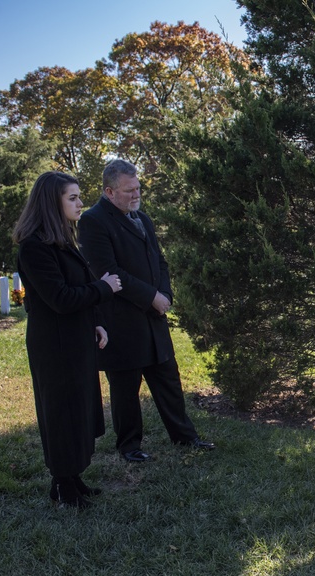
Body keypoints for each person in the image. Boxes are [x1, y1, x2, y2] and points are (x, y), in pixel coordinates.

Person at [78, 159, 214, 462]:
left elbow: (159, 261)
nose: (136, 194)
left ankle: (185, 437)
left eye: (138, 188)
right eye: (129, 190)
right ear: (110, 192)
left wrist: (164, 293)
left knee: (168, 379)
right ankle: (129, 446)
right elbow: (109, 272)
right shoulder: (94, 221)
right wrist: (150, 296)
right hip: (121, 319)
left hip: (154, 318)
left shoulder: (142, 218)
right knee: (126, 388)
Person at [14, 172, 123, 508]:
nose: (80, 203)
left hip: (76, 339)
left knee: (78, 410)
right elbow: (60, 298)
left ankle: (73, 477)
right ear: (53, 201)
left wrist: (97, 322)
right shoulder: (34, 246)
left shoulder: (62, 240)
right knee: (61, 413)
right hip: (55, 346)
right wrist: (105, 288)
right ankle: (62, 486)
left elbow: (78, 288)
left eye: (79, 197)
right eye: (72, 198)